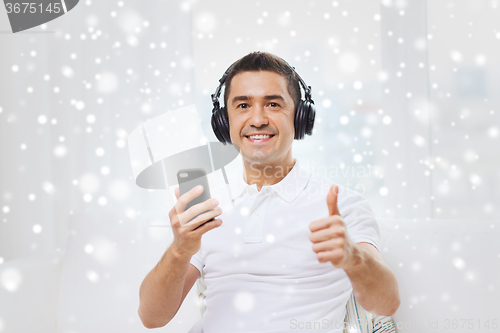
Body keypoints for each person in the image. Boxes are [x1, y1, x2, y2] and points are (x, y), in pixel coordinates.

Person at [138, 51, 400, 332]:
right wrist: (180, 249)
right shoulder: (206, 207)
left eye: (273, 104)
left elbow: (386, 303)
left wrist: (352, 258)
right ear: (224, 121)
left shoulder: (343, 205)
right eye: (242, 106)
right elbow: (153, 318)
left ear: (300, 117)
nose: (258, 119)